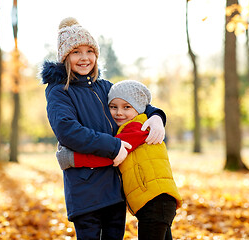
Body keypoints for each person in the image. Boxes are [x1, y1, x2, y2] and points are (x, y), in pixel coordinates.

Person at [41, 17, 166, 240]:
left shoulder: (104, 86)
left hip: (115, 189)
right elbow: (67, 130)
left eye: (90, 50)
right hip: (85, 190)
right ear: (65, 57)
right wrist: (114, 145)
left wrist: (156, 116)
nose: (84, 57)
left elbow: (136, 103)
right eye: (76, 51)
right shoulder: (60, 91)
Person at [57, 80, 183, 240]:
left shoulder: (138, 127)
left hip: (155, 201)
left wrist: (72, 158)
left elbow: (108, 155)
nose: (119, 113)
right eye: (113, 106)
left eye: (126, 107)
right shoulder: (131, 126)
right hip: (158, 201)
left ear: (138, 108)